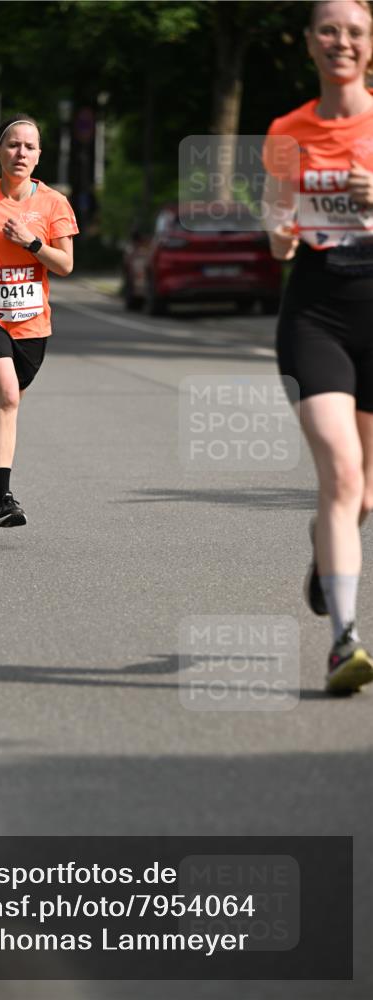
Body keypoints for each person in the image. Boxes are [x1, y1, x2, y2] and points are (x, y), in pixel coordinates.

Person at [263, 0, 373, 693]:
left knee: (361, 493)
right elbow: (276, 232)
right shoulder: (286, 130)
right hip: (315, 315)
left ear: (370, 47)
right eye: (327, 30)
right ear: (309, 43)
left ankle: (322, 550)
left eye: (354, 32)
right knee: (338, 470)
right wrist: (278, 225)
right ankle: (343, 640)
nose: (340, 41)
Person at [0, 114, 79, 530]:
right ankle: (4, 498)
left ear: (39, 157)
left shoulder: (54, 203)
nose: (20, 153)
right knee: (7, 397)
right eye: (12, 145)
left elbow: (65, 265)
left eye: (29, 147)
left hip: (31, 323)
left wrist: (33, 242)